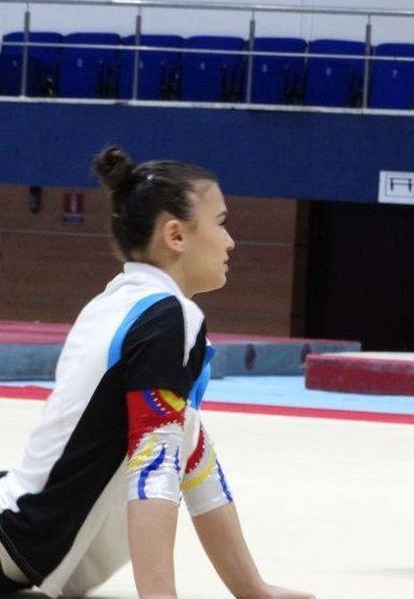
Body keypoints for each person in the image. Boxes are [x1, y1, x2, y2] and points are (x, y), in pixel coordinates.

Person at [0, 147, 314, 599]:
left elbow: (190, 450)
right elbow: (155, 469)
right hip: (18, 539)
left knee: (180, 426)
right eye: (221, 223)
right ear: (176, 235)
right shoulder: (169, 317)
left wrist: (253, 591)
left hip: (20, 533)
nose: (231, 243)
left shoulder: (114, 304)